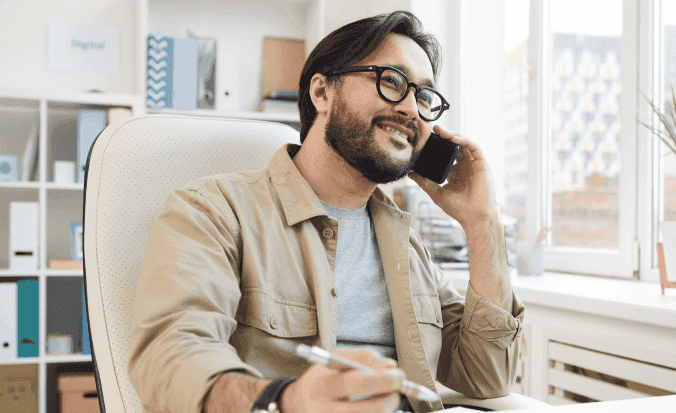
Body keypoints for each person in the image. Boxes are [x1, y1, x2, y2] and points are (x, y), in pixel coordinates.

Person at [127, 10, 524, 413]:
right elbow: (170, 363)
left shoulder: (407, 247)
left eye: (424, 97)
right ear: (322, 92)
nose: (411, 109)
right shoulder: (213, 212)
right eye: (391, 81)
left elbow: (486, 375)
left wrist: (482, 222)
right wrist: (287, 401)